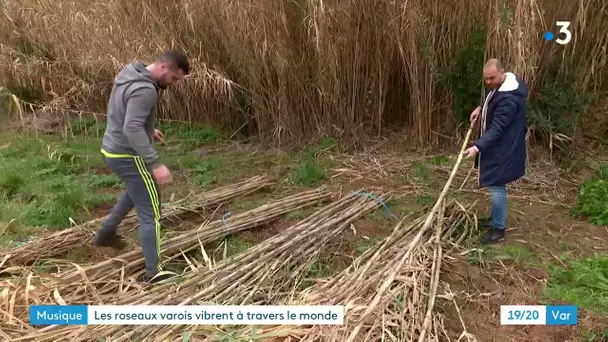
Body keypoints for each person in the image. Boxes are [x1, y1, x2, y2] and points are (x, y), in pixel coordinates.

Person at [93, 50, 190, 284]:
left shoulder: (130, 72)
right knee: (152, 213)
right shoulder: (146, 90)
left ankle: (106, 231)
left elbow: (124, 112)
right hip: (129, 155)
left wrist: (148, 130)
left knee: (135, 190)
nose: (174, 84)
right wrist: (155, 164)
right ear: (164, 68)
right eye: (175, 79)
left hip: (111, 149)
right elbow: (132, 127)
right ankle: (155, 272)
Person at [464, 58, 528, 244]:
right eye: (486, 79)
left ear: (502, 72)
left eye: (491, 78)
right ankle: (495, 220)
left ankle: (498, 230)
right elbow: (490, 99)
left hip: (504, 148)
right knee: (495, 184)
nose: (488, 82)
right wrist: (480, 108)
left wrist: (477, 147)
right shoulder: (500, 86)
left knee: (497, 185)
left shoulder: (509, 99)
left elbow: (497, 128)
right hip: (497, 146)